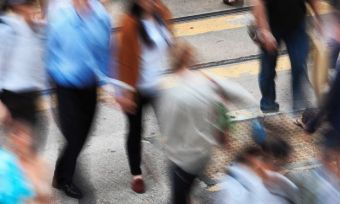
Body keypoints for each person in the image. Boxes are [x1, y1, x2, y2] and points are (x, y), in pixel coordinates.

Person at [158, 42, 260, 204]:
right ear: (192, 59)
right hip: (205, 153)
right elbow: (247, 98)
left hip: (182, 159)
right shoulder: (210, 82)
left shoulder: (170, 94)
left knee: (178, 197)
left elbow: (168, 131)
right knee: (187, 187)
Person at [46, 0, 111, 199]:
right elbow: (49, 53)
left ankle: (61, 171)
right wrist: (49, 85)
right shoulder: (61, 20)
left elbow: (105, 50)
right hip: (66, 86)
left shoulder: (101, 17)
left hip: (90, 85)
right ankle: (65, 178)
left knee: (84, 134)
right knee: (74, 136)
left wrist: (109, 81)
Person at [116, 0, 172, 194]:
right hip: (137, 89)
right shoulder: (129, 23)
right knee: (135, 130)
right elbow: (123, 61)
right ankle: (136, 174)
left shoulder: (163, 13)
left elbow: (171, 46)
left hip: (162, 86)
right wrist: (124, 93)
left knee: (170, 126)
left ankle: (179, 166)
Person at [252, 0, 321, 112]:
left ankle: (298, 105)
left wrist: (318, 18)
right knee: (267, 69)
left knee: (299, 63)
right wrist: (265, 31)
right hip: (271, 25)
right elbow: (258, 3)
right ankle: (268, 104)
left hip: (296, 24)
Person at [0, 0, 47, 150]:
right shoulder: (7, 30)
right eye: (27, 5)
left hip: (29, 96)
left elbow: (36, 64)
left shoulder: (33, 27)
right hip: (13, 98)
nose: (32, 8)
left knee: (31, 143)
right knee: (23, 146)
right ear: (16, 7)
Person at [217, 137, 298, 204]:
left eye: (282, 164)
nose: (279, 169)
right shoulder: (236, 189)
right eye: (277, 164)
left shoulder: (278, 182)